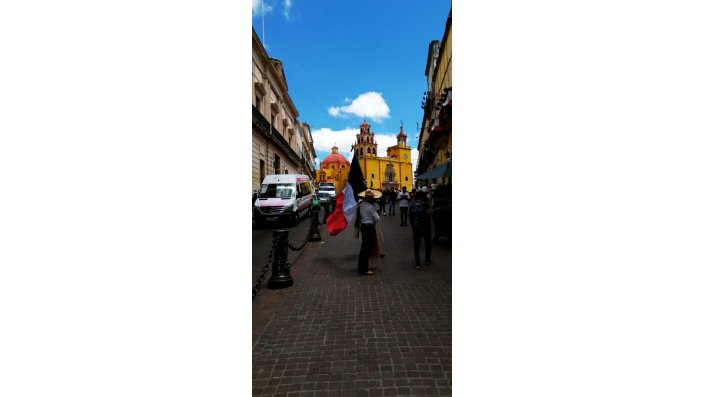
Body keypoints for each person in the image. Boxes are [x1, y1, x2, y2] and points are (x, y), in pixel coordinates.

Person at [355, 189, 381, 275]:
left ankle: (362, 266)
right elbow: (377, 218)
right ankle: (364, 268)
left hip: (363, 226)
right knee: (367, 248)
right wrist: (377, 211)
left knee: (364, 247)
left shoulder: (361, 205)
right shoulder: (370, 207)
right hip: (369, 227)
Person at [409, 190, 434, 269]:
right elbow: (429, 215)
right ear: (423, 196)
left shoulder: (412, 204)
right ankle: (427, 259)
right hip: (425, 227)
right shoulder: (426, 204)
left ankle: (417, 263)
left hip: (416, 227)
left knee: (416, 245)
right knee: (428, 243)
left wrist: (413, 226)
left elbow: (410, 217)